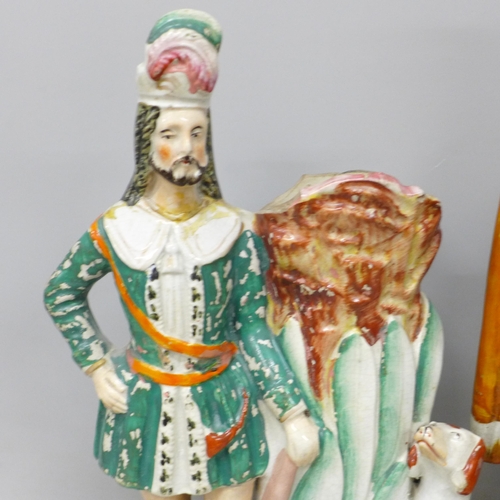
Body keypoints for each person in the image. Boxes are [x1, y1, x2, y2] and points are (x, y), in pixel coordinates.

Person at [44, 10, 319, 500]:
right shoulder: (118, 227)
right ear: (147, 141)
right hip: (149, 412)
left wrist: (292, 411)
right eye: (170, 134)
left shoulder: (232, 231)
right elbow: (61, 292)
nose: (187, 146)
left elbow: (253, 326)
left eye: (197, 133)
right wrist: (98, 366)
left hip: (224, 404)